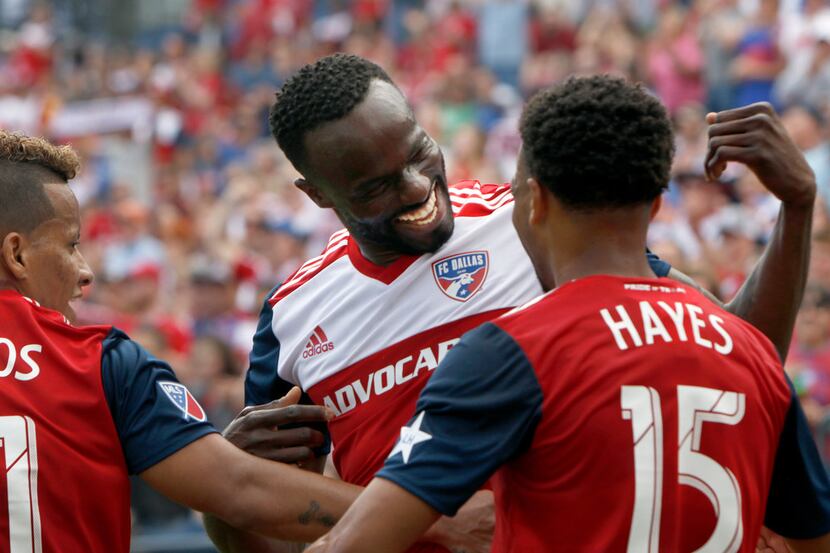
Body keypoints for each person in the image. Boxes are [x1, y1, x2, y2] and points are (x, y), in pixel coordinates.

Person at [206, 54, 817, 552]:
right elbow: (267, 522)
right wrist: (229, 500)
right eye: (376, 185)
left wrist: (795, 216)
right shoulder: (292, 315)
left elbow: (734, 360)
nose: (417, 187)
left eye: (418, 151)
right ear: (316, 195)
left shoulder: (530, 221)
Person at [0, 130, 371, 551]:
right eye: (71, 245)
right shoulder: (99, 362)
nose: (85, 271)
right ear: (17, 255)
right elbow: (241, 490)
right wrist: (422, 513)